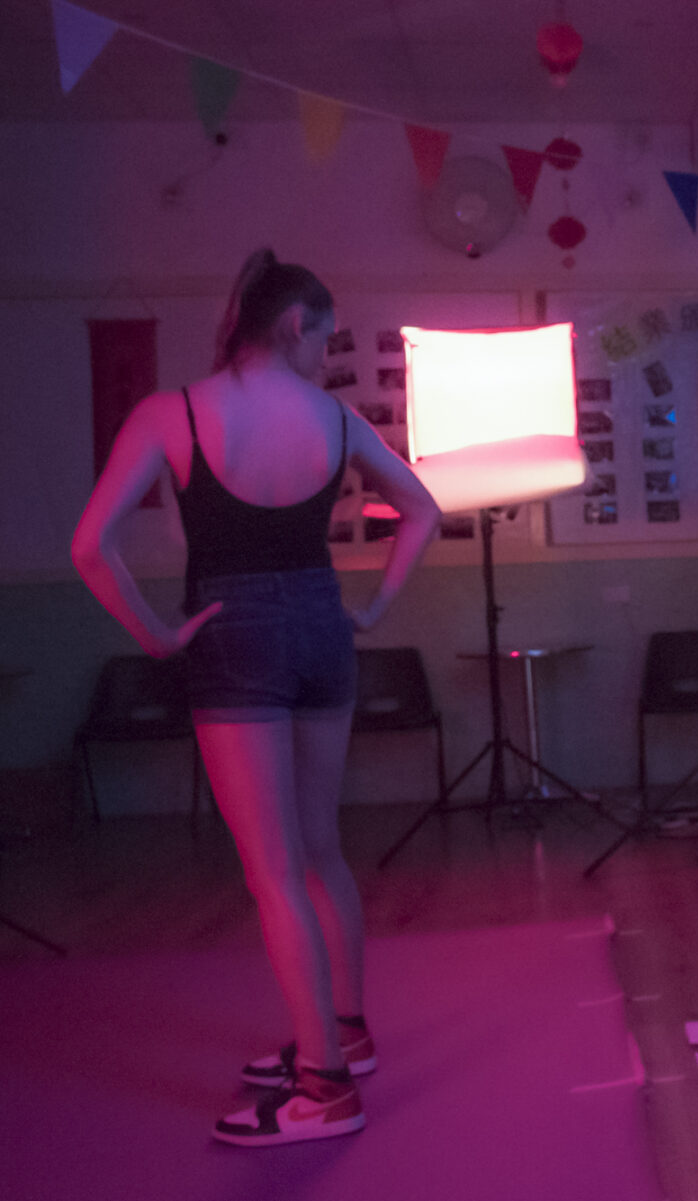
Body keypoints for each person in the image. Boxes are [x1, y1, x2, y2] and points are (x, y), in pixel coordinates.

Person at [71, 249, 440, 1145]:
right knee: (320, 851)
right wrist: (376, 606)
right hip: (320, 623)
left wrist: (156, 633)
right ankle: (346, 1036)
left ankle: (324, 1085)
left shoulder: (172, 413)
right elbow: (423, 510)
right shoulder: (335, 418)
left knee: (274, 870)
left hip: (233, 632)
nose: (326, 353)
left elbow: (91, 545)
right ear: (292, 325)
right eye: (325, 337)